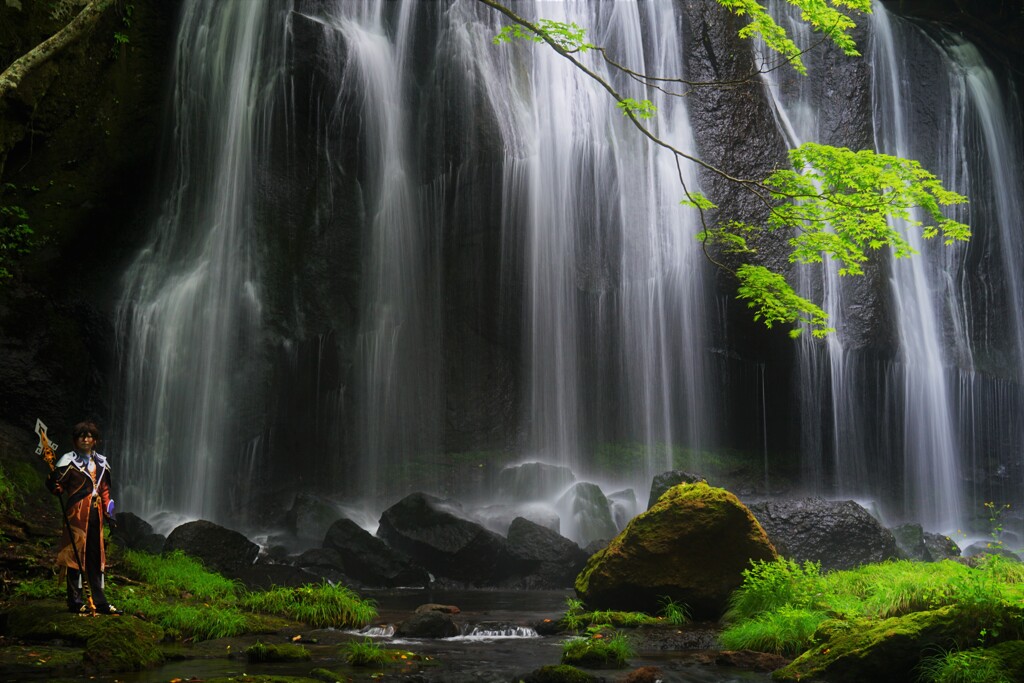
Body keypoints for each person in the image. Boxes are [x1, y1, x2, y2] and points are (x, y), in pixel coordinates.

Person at [45, 421, 122, 615]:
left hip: (96, 515)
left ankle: (99, 601)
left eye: (89, 436)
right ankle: (76, 601)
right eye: (82, 436)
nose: (85, 439)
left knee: (96, 557)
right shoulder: (67, 460)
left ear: (95, 440)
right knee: (74, 556)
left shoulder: (102, 462)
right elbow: (59, 486)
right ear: (75, 440)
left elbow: (104, 490)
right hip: (77, 515)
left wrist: (109, 513)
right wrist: (54, 486)